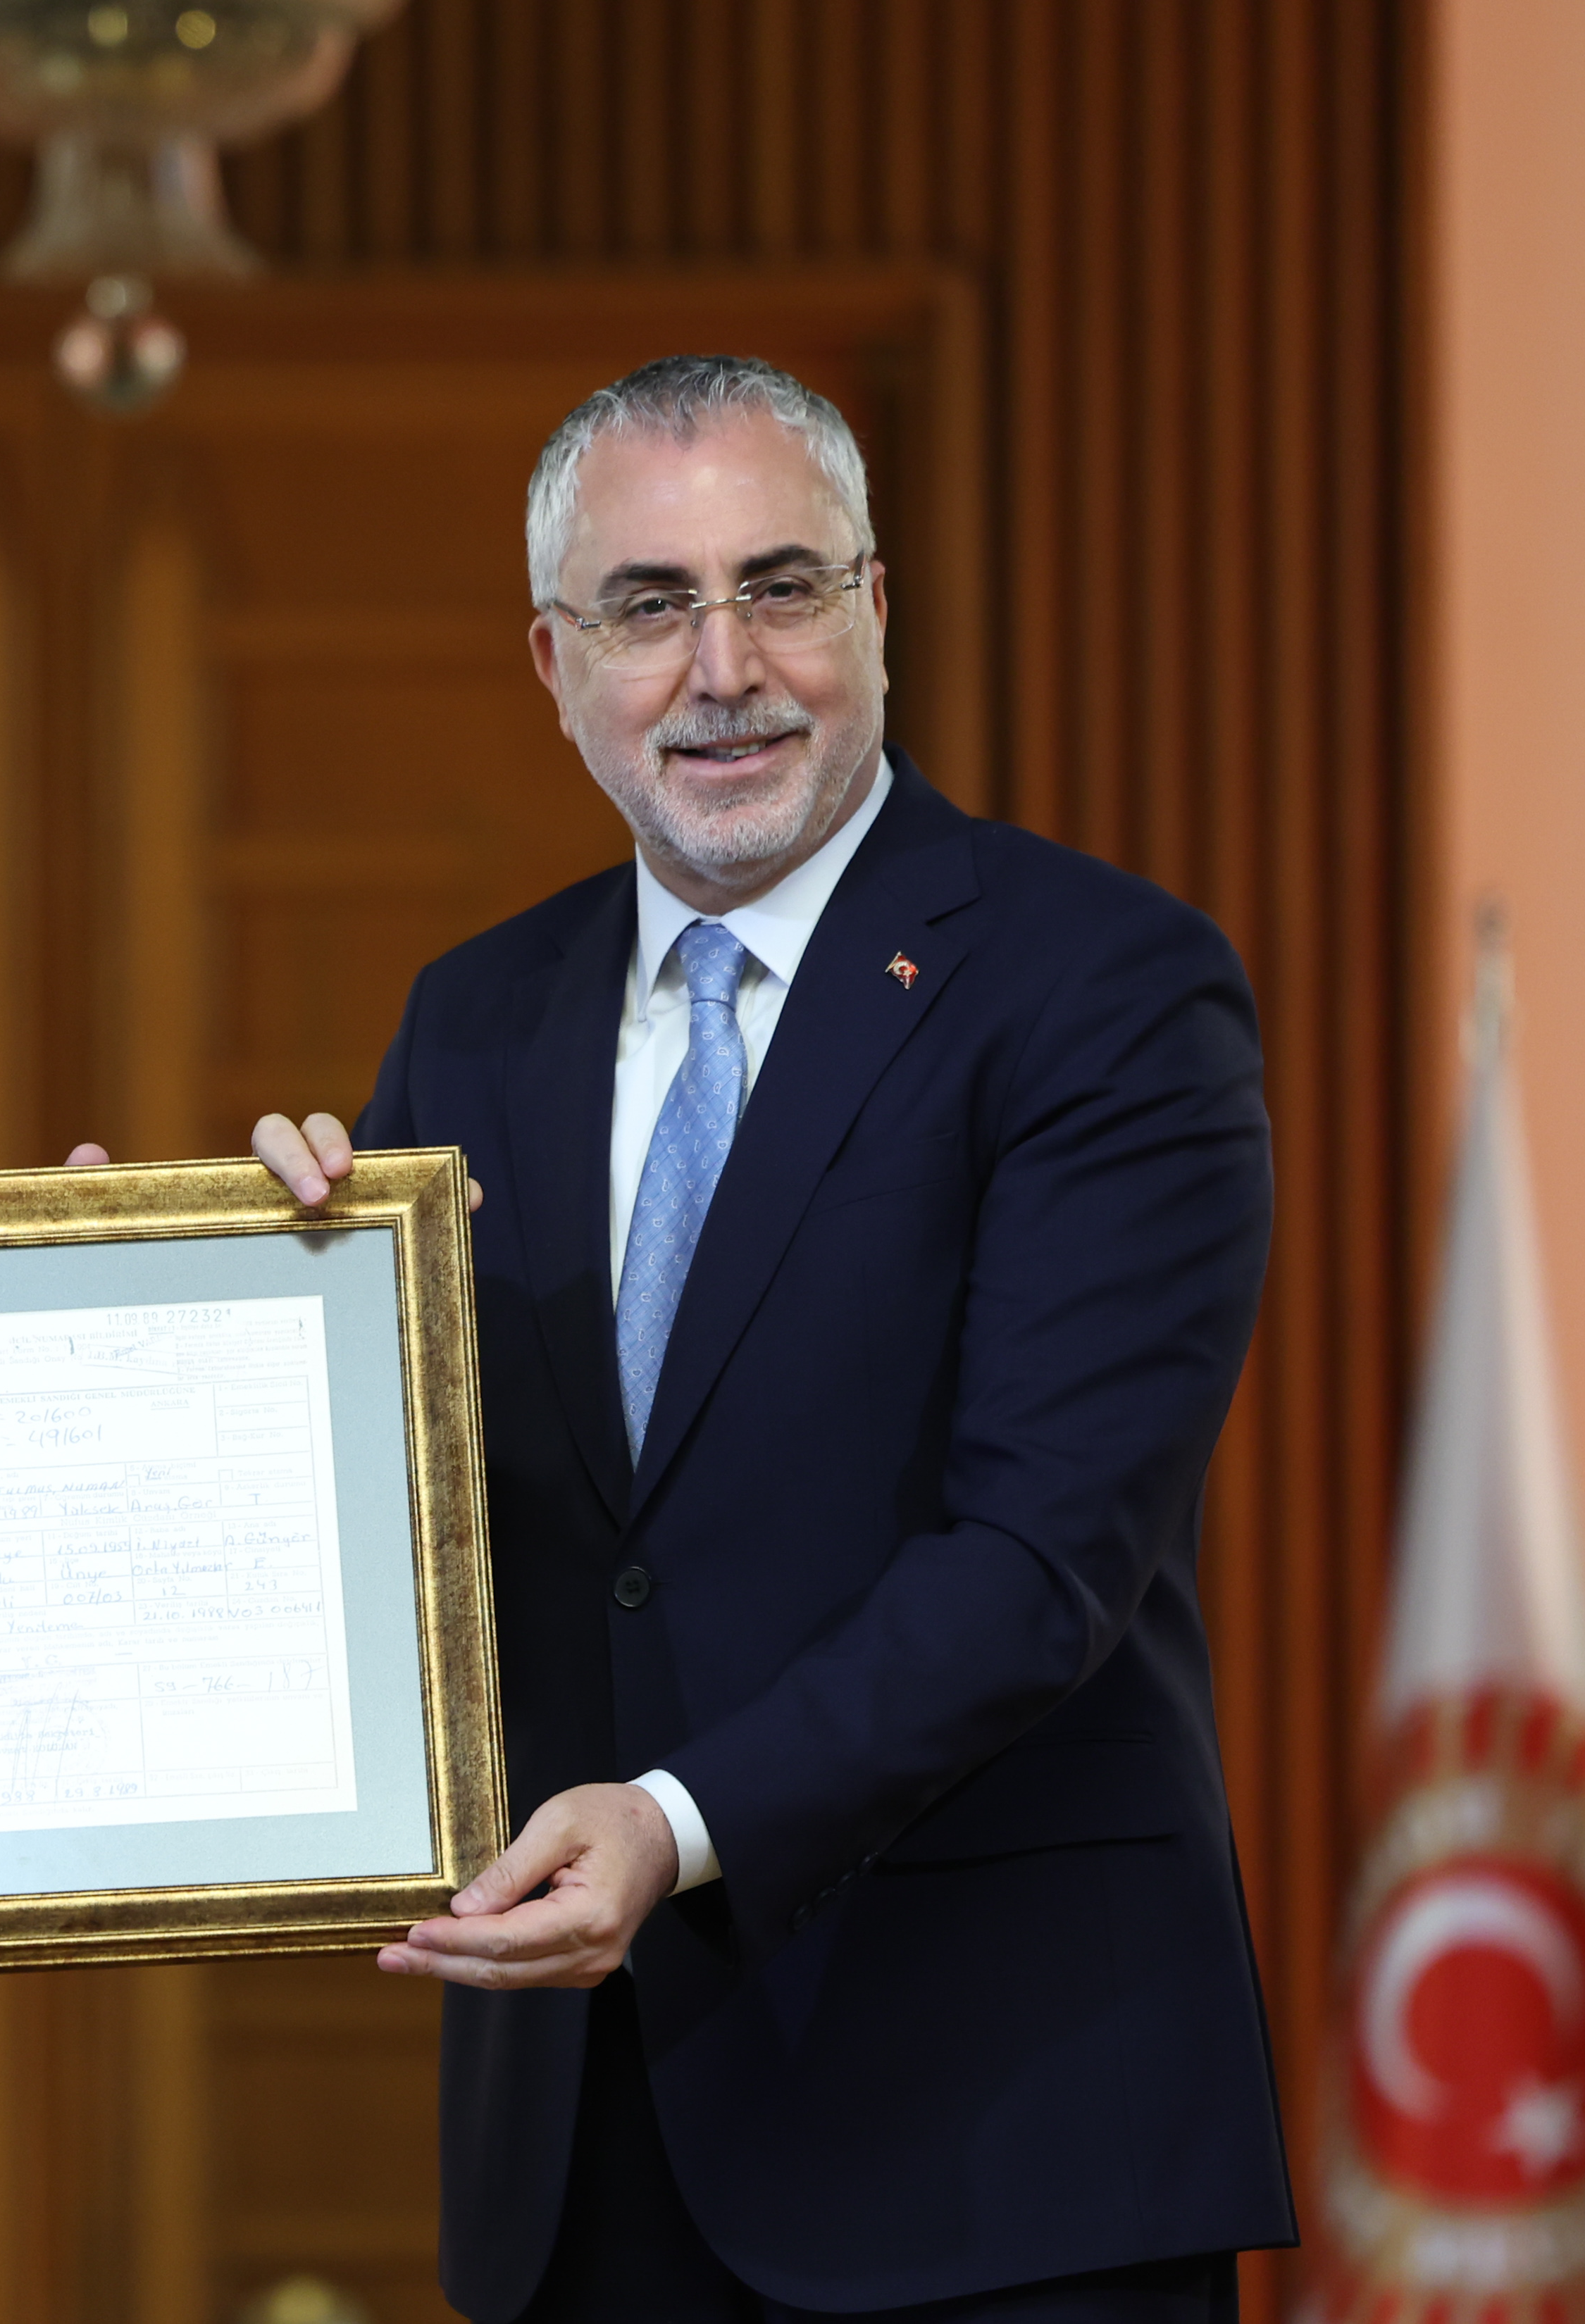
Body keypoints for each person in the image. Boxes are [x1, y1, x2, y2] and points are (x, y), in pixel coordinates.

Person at [253, 358, 1295, 2321]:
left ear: (877, 609)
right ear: (556, 662)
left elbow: (1042, 1559)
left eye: (783, 586)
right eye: (650, 606)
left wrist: (674, 1826)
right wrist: (195, 1303)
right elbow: (401, 1540)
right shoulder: (473, 1019)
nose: (724, 668)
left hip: (1000, 2150)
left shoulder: (1106, 988)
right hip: (585, 2152)